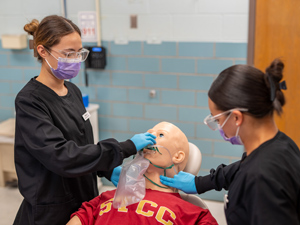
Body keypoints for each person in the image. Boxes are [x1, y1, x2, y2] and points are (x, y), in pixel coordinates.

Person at [13, 15, 156, 225]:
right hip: (51, 209)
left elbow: (82, 145)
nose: (75, 59)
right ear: (43, 51)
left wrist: (105, 168)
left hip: (83, 200)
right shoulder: (29, 101)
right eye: (68, 53)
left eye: (79, 53)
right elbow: (61, 156)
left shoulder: (72, 90)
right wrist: (125, 147)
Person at [160, 59, 300, 225]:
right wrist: (199, 183)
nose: (219, 127)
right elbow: (241, 168)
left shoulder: (261, 179)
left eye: (218, 120)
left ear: (236, 117)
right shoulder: (281, 145)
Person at [67, 122, 218, 225]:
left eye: (160, 135)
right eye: (149, 133)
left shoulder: (193, 212)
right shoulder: (107, 197)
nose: (149, 140)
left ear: (177, 157)